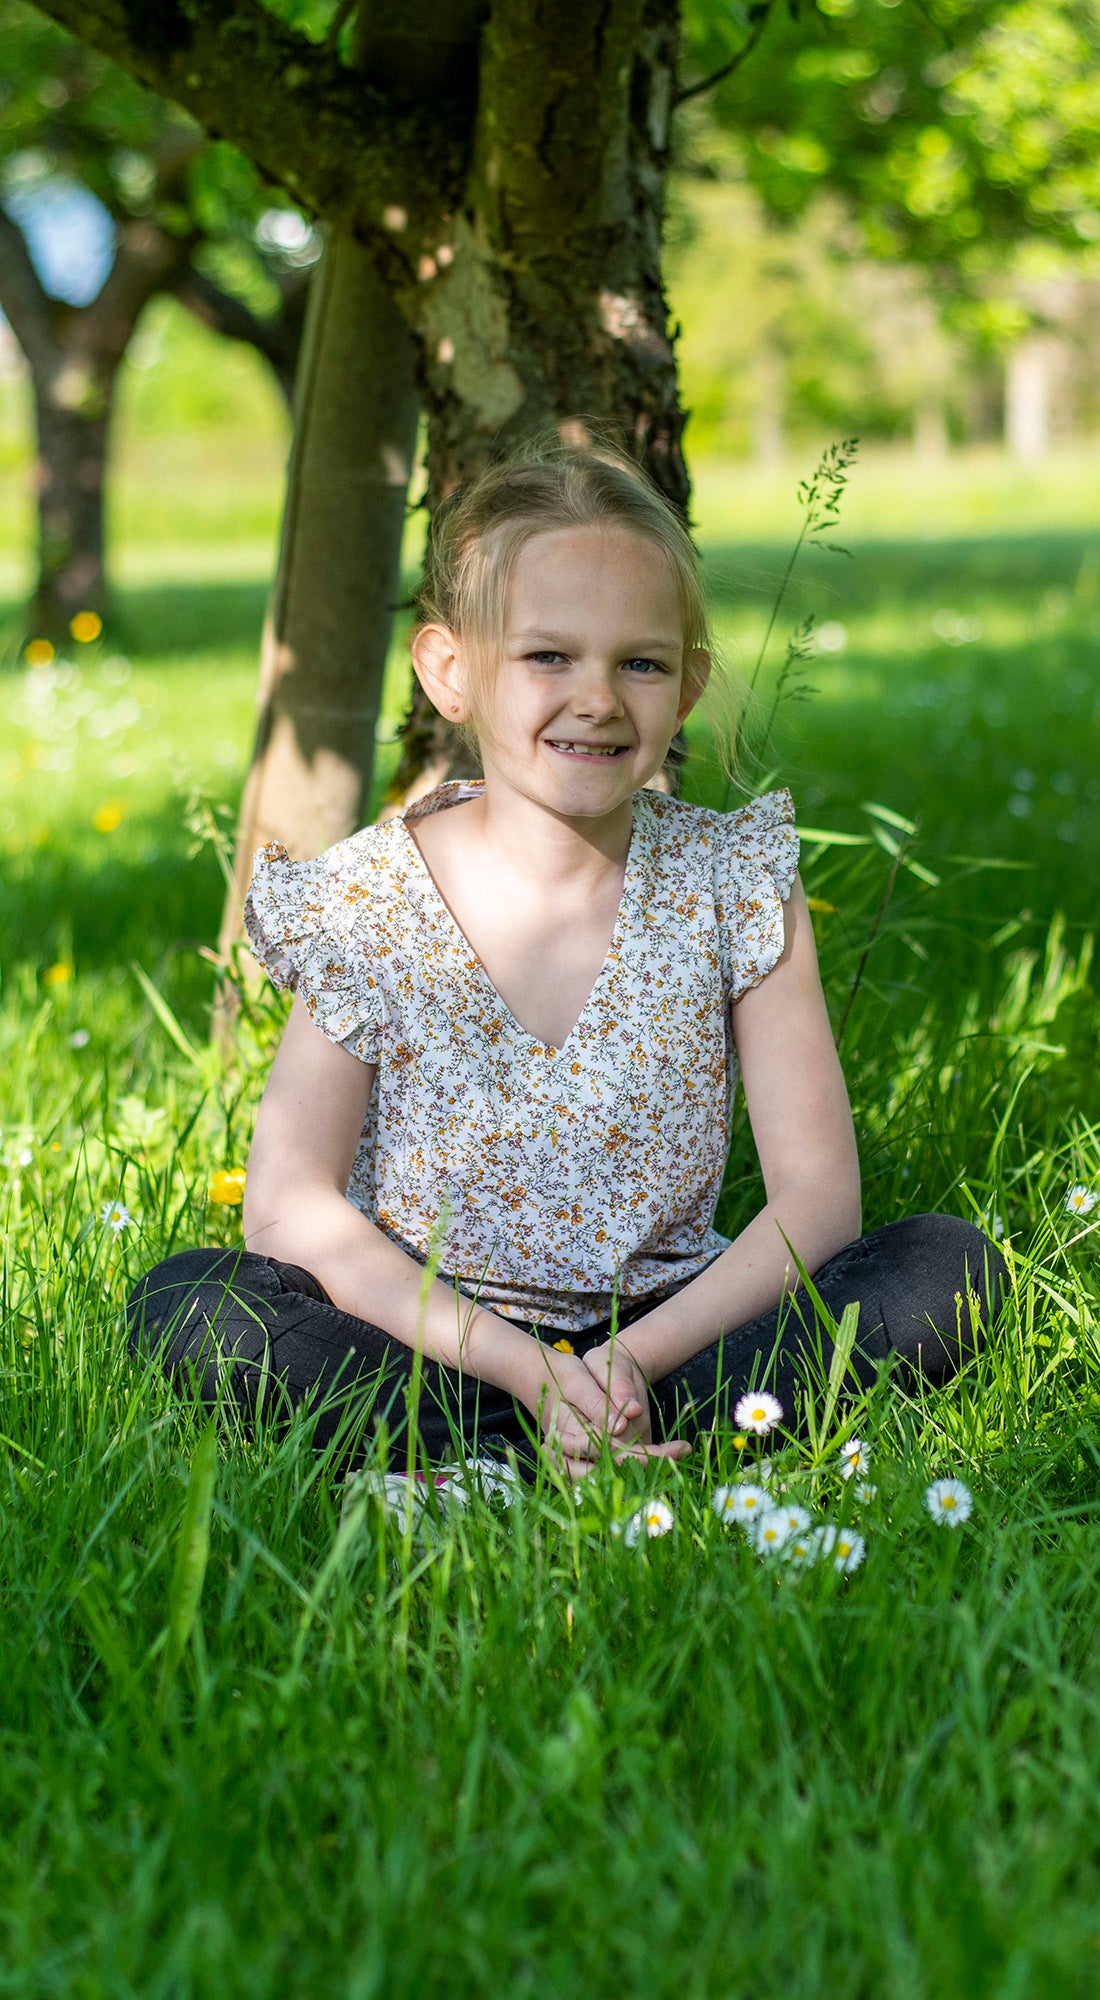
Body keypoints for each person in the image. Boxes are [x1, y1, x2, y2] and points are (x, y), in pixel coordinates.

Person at [127, 443, 1006, 1480]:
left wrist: (625, 1357)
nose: (597, 698)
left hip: (671, 1335)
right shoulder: (367, 900)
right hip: (429, 1336)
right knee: (191, 1306)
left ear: (688, 688)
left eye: (640, 662)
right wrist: (525, 1368)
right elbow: (288, 1204)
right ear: (450, 672)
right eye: (548, 657)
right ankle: (536, 1442)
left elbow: (817, 1199)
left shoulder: (732, 882)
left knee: (945, 1268)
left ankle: (554, 1445)